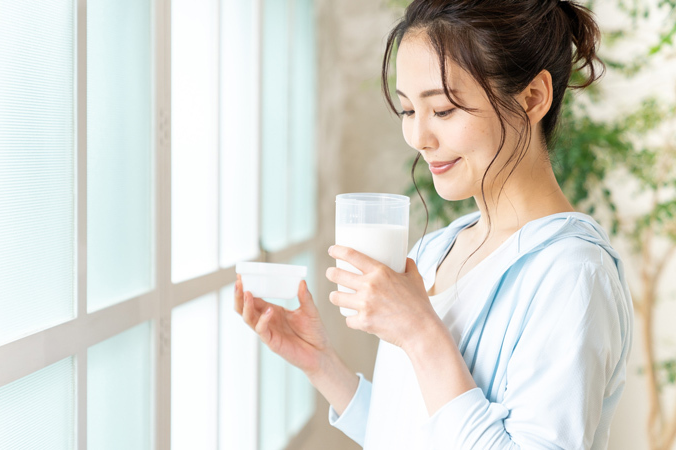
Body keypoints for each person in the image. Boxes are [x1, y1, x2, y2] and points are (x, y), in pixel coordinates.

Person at [234, 0, 633, 448]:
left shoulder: (572, 273)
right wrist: (319, 363)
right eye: (408, 110)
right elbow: (408, 433)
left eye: (442, 110)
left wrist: (420, 332)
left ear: (533, 98)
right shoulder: (435, 252)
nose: (419, 138)